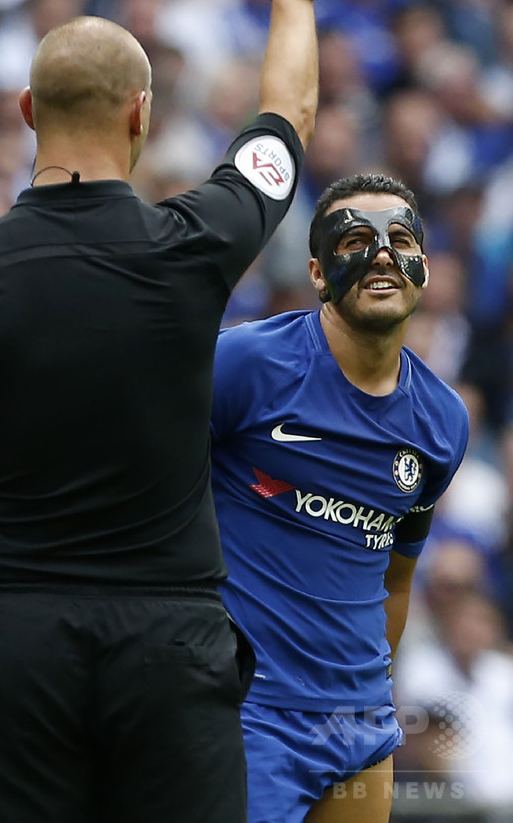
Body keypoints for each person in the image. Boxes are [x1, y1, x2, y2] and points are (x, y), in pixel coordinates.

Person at [0, 0, 318, 823]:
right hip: (170, 647)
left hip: (17, 646)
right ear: (140, 114)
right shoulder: (195, 244)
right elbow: (287, 121)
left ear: (26, 112)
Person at [210, 173, 470, 823]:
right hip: (247, 715)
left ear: (423, 267)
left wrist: (368, 698)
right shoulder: (244, 365)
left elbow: (396, 580)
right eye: (355, 241)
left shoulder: (442, 422)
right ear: (318, 273)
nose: (381, 254)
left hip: (360, 729)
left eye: (400, 240)